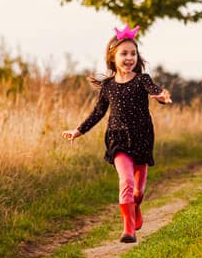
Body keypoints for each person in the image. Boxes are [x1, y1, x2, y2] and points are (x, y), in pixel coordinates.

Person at [62, 26, 172, 243]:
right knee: (127, 181)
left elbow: (155, 90)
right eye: (124, 53)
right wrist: (78, 130)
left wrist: (162, 96)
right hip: (117, 139)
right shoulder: (108, 86)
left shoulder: (142, 80)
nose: (129, 58)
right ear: (112, 57)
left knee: (138, 191)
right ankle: (128, 230)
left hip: (142, 138)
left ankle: (136, 206)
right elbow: (98, 112)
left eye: (133, 53)